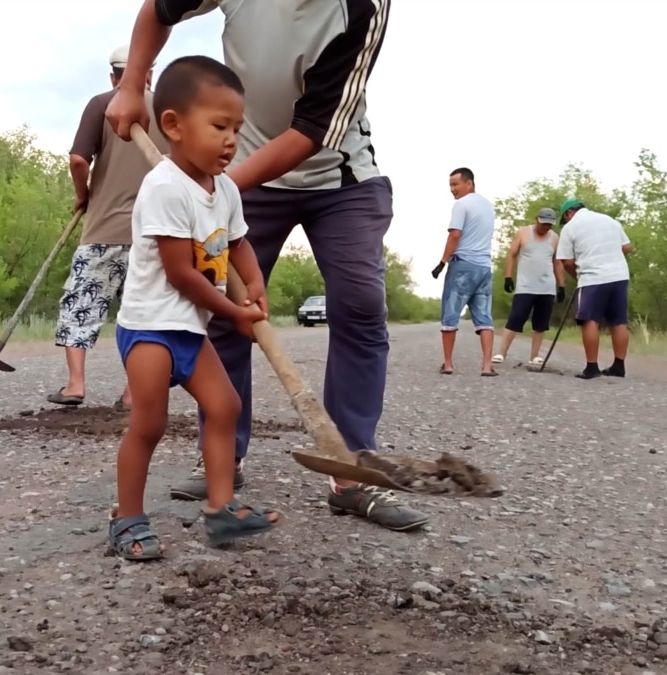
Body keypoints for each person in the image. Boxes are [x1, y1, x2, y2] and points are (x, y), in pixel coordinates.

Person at [106, 0, 430, 534]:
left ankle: (350, 469)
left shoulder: (364, 7)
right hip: (231, 171)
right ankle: (222, 467)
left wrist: (221, 191)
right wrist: (131, 85)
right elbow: (158, 10)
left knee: (361, 304)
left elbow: (312, 131)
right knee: (224, 317)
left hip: (336, 174)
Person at [108, 55, 280, 560]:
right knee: (150, 423)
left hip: (187, 330)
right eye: (219, 126)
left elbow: (238, 242)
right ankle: (127, 518)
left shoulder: (224, 188)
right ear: (173, 126)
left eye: (237, 129)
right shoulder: (163, 187)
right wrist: (234, 313)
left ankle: (222, 511)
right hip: (148, 328)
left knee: (225, 406)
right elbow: (182, 273)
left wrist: (254, 281)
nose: (231, 140)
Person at [47, 45, 169, 409]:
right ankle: (134, 393)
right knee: (141, 314)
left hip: (103, 229)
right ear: (148, 73)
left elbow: (77, 160)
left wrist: (82, 195)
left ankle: (75, 385)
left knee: (81, 304)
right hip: (154, 232)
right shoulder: (166, 110)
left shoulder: (101, 103)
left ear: (113, 76)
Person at [554, 199, 634, 379]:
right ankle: (619, 366)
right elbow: (627, 247)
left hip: (592, 276)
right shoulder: (609, 220)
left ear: (569, 213)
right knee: (618, 321)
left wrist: (577, 276)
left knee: (589, 320)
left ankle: (592, 367)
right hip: (619, 275)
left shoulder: (570, 227)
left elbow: (566, 262)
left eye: (565, 218)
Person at [431, 167, 497, 377]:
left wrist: (442, 263)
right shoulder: (488, 206)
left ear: (469, 183)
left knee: (450, 314)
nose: (452, 189)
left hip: (463, 265)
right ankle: (487, 366)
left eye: (455, 184)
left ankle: (448, 364)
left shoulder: (461, 205)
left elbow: (455, 235)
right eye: (450, 185)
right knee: (484, 316)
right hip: (484, 267)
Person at [493, 207, 566, 366]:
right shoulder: (523, 233)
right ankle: (501, 353)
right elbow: (512, 254)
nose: (545, 227)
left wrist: (561, 286)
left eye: (549, 225)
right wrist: (508, 277)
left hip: (546, 286)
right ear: (536, 219)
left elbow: (557, 262)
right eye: (543, 223)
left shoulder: (554, 238)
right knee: (515, 319)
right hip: (526, 286)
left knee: (540, 323)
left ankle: (534, 356)